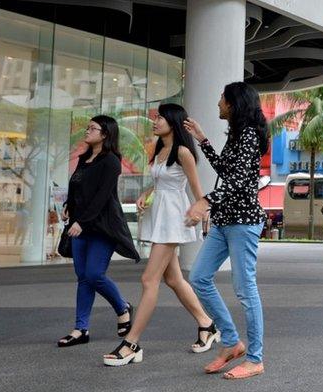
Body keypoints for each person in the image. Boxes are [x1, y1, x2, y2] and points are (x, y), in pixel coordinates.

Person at [102, 103, 218, 366]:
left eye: (161, 118)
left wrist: (205, 217)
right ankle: (206, 324)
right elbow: (159, 181)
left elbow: (197, 190)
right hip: (160, 215)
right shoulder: (159, 149)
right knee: (174, 280)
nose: (155, 122)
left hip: (174, 219)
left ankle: (131, 343)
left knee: (148, 279)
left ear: (173, 121)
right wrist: (146, 193)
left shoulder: (184, 152)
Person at [183, 82, 269, 380]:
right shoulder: (237, 134)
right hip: (224, 220)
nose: (218, 102)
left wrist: (204, 201)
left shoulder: (248, 135)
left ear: (233, 103)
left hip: (243, 223)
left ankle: (255, 358)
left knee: (246, 290)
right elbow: (226, 172)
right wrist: (204, 140)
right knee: (199, 277)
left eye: (222, 97)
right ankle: (232, 343)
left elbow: (240, 182)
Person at [57, 115, 139, 348]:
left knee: (94, 275)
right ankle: (80, 329)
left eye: (93, 128)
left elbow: (103, 197)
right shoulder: (84, 159)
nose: (87, 131)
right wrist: (68, 206)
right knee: (83, 277)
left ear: (105, 134)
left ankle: (122, 307)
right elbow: (77, 188)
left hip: (102, 227)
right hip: (79, 225)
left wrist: (81, 221)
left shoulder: (111, 161)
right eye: (88, 127)